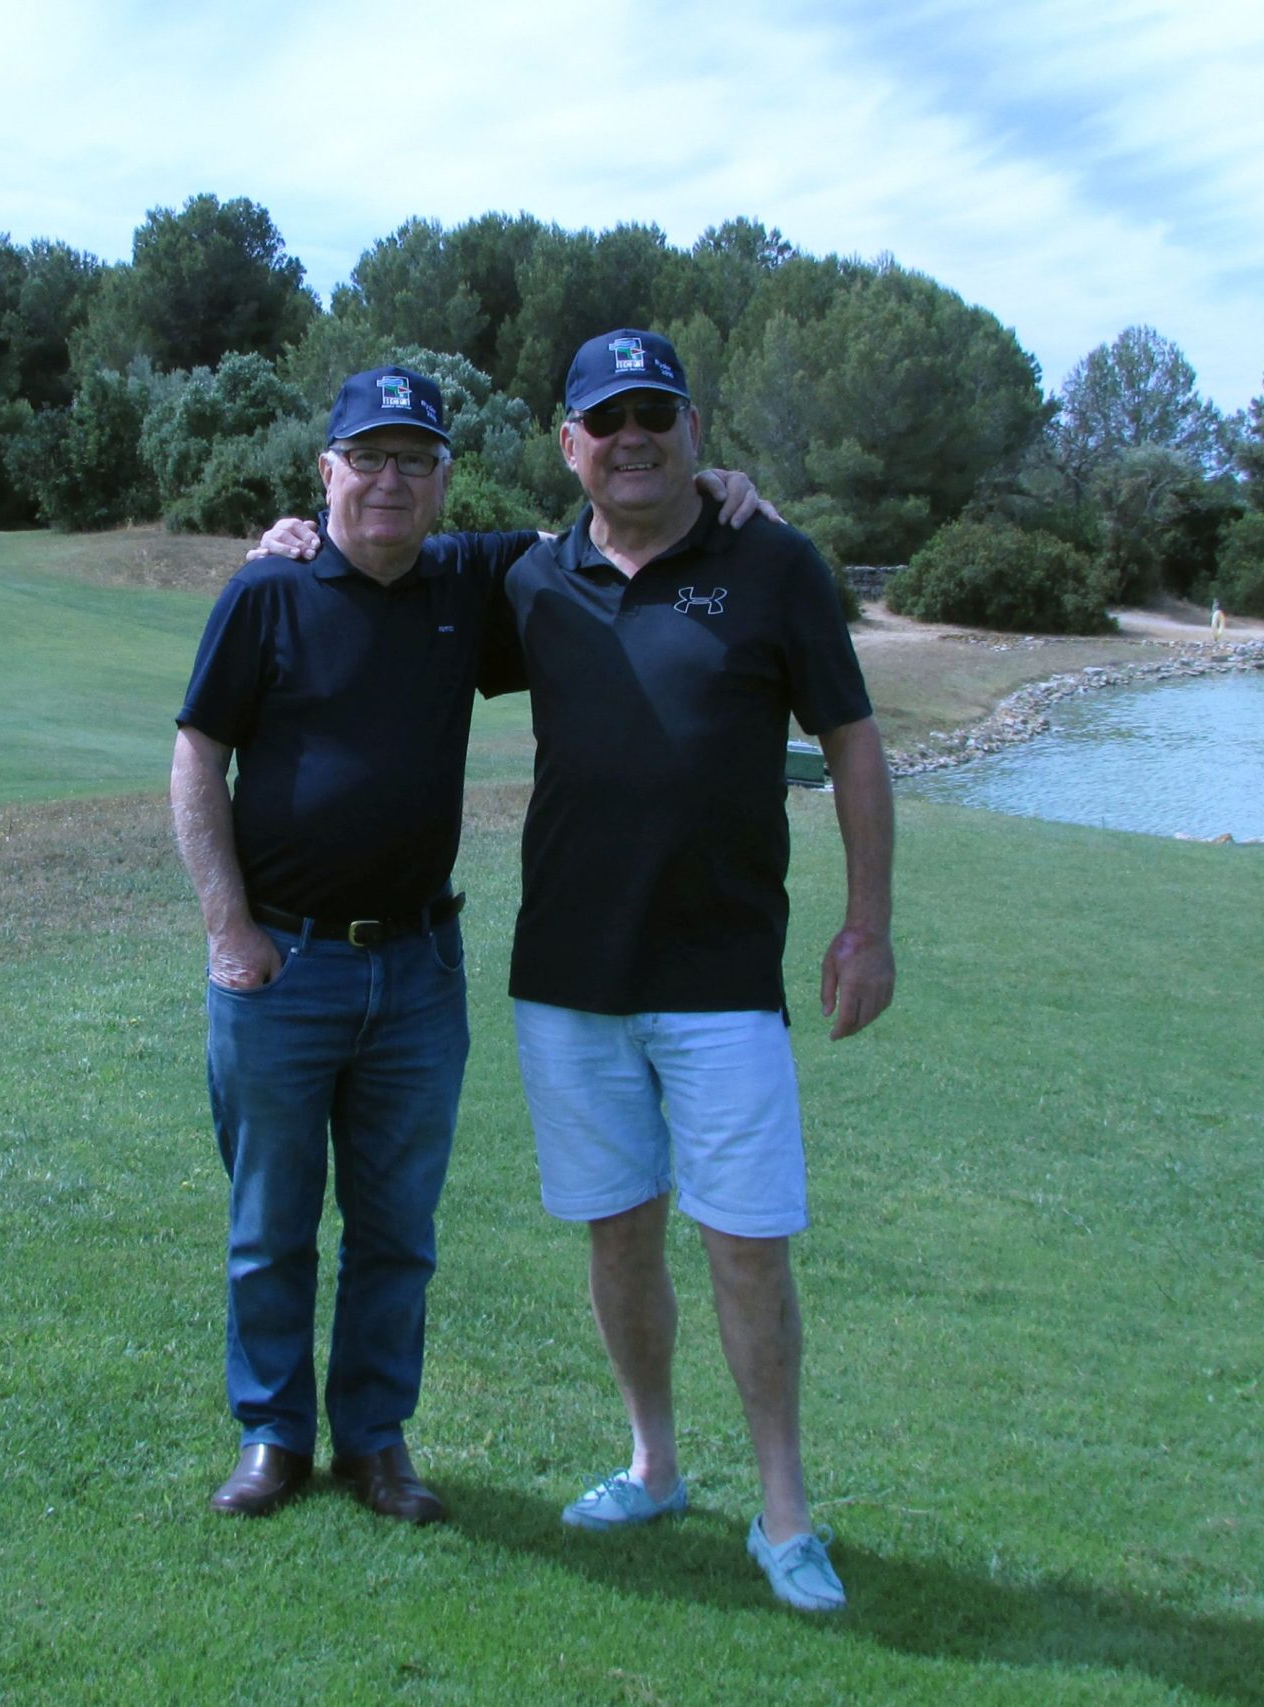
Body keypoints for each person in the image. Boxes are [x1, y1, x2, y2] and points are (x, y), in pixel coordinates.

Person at [173, 367, 771, 1526]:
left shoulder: (474, 580)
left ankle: (374, 1440)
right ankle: (271, 1435)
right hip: (284, 966)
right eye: (368, 457)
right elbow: (198, 753)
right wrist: (227, 928)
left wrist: (715, 489)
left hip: (416, 972)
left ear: (444, 479)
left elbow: (616, 532)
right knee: (268, 1226)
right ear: (327, 470)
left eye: (415, 459)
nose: (389, 480)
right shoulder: (266, 591)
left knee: (397, 1230)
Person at [483, 329, 896, 1613]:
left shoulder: (772, 562)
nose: (633, 438)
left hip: (722, 978)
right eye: (607, 421)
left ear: (695, 432)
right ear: (569, 445)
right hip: (569, 978)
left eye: (655, 415)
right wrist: (293, 535)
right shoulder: (530, 578)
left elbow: (852, 742)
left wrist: (867, 924)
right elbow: (383, 573)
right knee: (618, 1233)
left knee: (747, 1246)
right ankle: (653, 1465)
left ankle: (784, 1513)